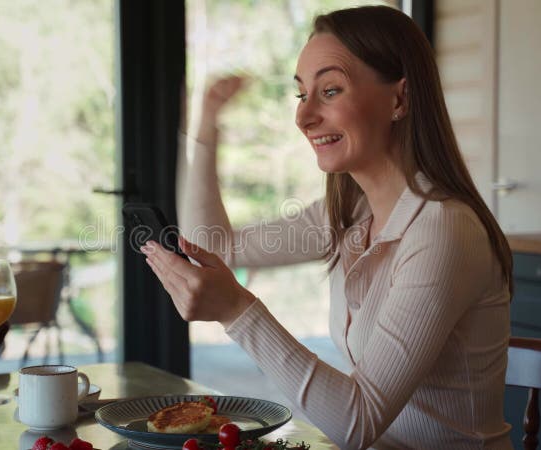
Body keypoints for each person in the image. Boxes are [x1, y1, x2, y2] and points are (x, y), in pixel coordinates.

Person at [141, 5, 514, 450]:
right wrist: (206, 128)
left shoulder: (444, 230)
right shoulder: (349, 213)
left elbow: (357, 423)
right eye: (302, 95)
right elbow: (214, 246)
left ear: (399, 99)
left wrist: (236, 308)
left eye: (331, 90)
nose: (304, 117)